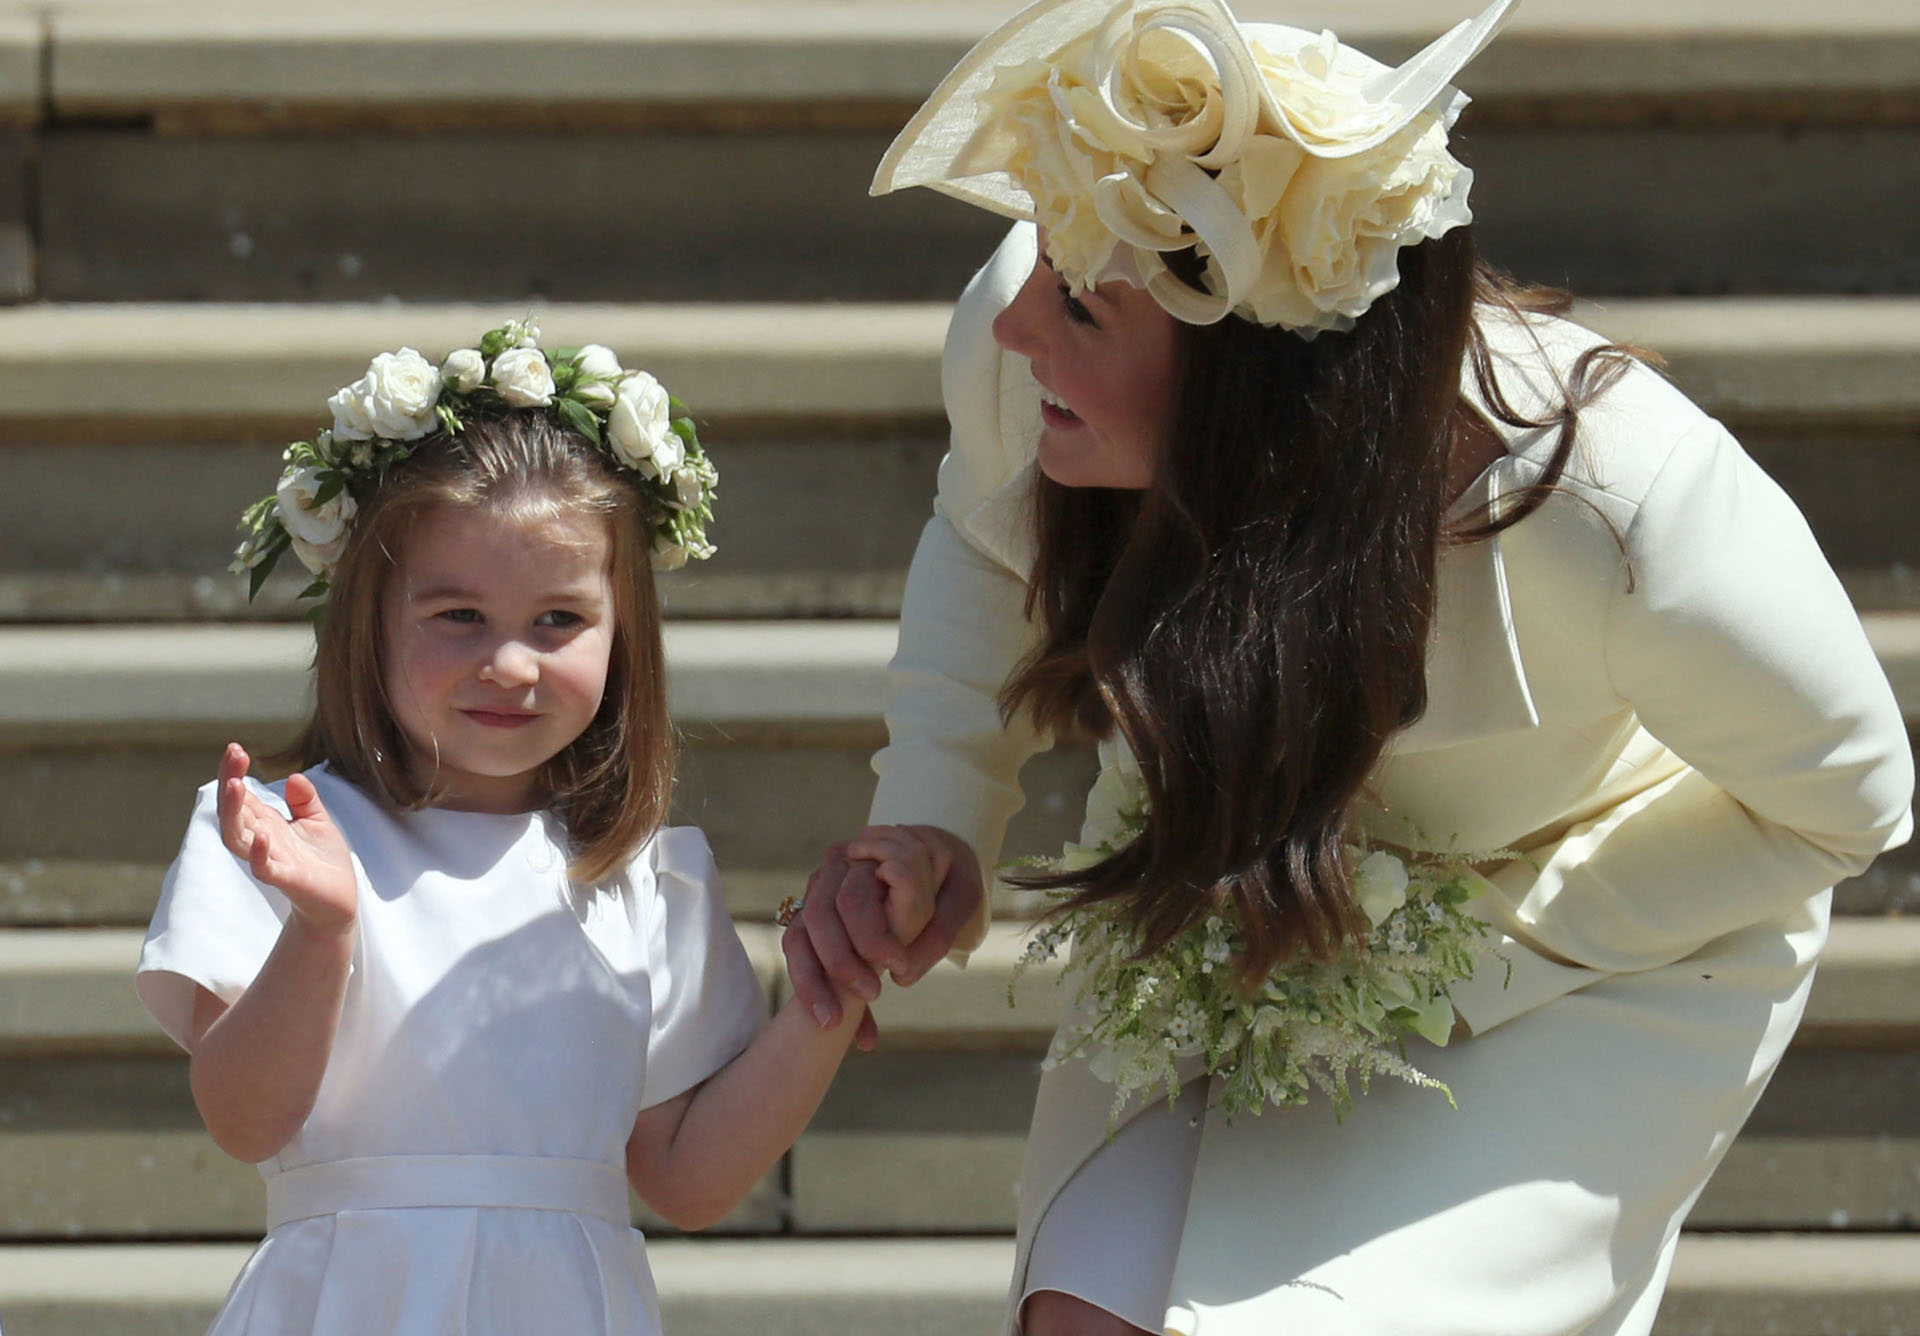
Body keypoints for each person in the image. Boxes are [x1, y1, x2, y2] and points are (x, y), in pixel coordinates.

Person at [784, 0, 1917, 1333]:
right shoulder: (1023, 348)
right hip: (1229, 858)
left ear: (1256, 377)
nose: (1020, 325)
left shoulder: (1618, 511)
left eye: (1081, 306)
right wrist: (934, 809)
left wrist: (1459, 954)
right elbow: (985, 544)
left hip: (1597, 950)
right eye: (1042, 261)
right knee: (1086, 1313)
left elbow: (1847, 804)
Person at [135, 323, 930, 1335]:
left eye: (557, 620)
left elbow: (687, 1176)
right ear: (367, 619)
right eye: (458, 615)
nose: (509, 663)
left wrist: (833, 985)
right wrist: (322, 929)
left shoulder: (648, 877)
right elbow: (245, 1119)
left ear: (623, 630)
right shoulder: (282, 837)